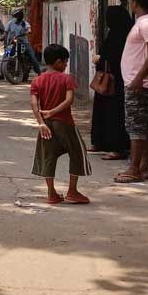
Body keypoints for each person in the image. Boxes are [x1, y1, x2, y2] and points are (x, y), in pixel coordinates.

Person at [29, 43, 92, 204]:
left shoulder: (38, 80)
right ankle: (72, 191)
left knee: (48, 156)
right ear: (58, 62)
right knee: (78, 152)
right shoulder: (66, 79)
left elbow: (34, 104)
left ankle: (51, 194)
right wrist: (54, 111)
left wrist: (41, 122)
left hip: (46, 125)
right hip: (65, 123)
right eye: (64, 62)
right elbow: (69, 100)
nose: (65, 65)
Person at [117, 0, 148, 183]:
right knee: (146, 127)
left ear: (135, 2)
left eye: (131, 0)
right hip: (144, 83)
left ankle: (134, 169)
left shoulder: (147, 24)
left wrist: (138, 78)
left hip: (140, 85)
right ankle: (143, 167)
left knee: (136, 128)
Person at [90, 6, 133, 160]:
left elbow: (118, 58)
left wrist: (101, 59)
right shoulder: (114, 34)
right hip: (107, 80)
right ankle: (100, 142)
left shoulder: (125, 36)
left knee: (115, 114)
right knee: (103, 111)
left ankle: (118, 147)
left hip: (118, 81)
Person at [1, 9, 42, 81]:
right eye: (14, 17)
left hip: (24, 43)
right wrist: (2, 37)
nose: (15, 18)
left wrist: (26, 32)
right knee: (5, 56)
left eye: (16, 16)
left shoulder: (25, 23)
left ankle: (39, 72)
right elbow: (6, 32)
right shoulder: (10, 23)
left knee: (32, 56)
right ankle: (1, 74)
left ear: (20, 17)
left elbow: (29, 30)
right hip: (12, 43)